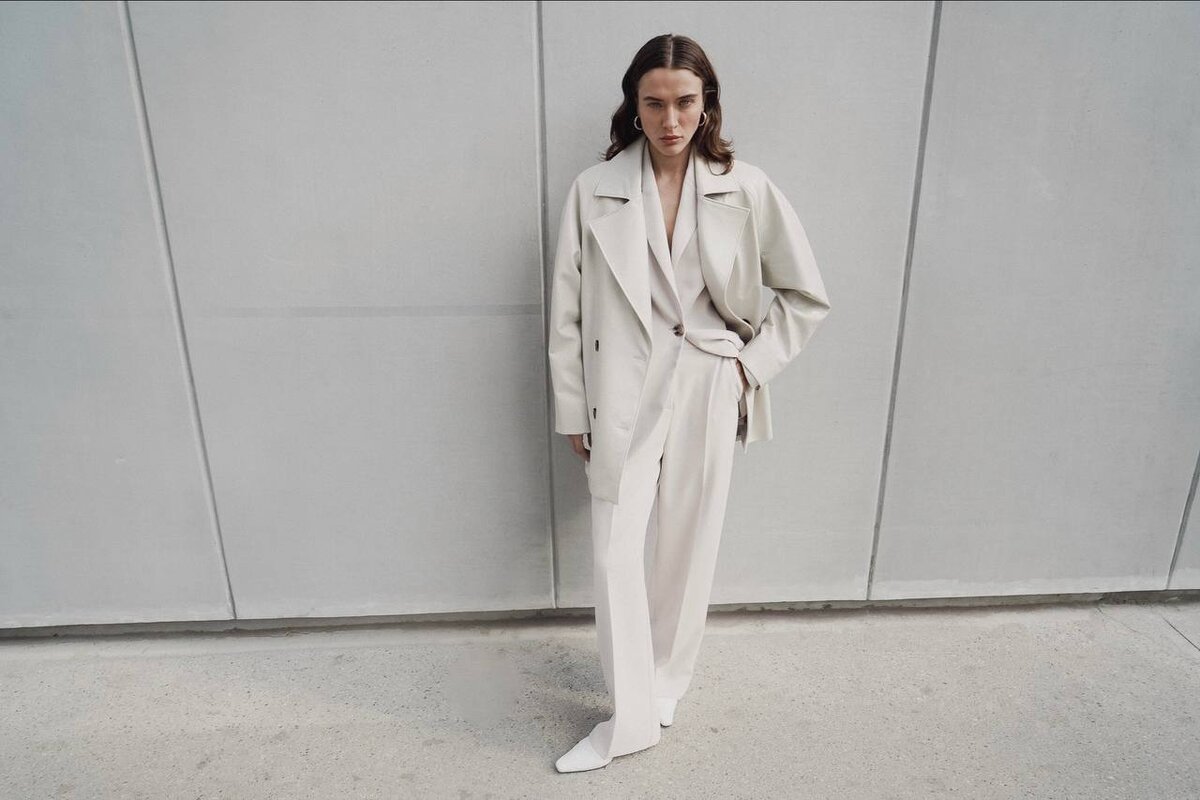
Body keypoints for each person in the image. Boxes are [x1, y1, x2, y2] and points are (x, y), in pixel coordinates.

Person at [547, 33, 831, 773]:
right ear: (634, 107)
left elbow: (806, 296)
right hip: (623, 388)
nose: (670, 120)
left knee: (687, 543)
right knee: (616, 548)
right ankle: (630, 717)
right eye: (654, 103)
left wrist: (746, 371)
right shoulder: (594, 189)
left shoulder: (746, 187)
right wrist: (573, 407)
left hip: (708, 379)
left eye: (684, 102)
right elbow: (566, 312)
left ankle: (664, 685)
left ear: (707, 106)